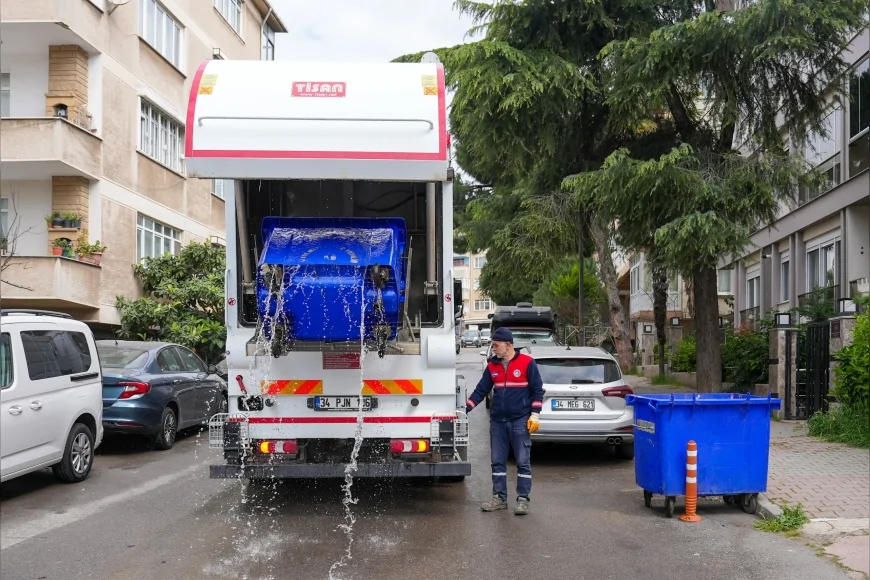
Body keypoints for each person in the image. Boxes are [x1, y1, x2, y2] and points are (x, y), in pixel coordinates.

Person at [465, 327, 544, 515]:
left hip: (520, 420)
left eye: (496, 345)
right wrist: (464, 409)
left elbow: (537, 390)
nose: (493, 349)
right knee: (497, 461)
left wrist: (535, 414)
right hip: (498, 422)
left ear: (508, 345)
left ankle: (523, 499)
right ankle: (499, 498)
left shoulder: (527, 363)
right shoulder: (492, 366)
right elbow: (481, 390)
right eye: (493, 345)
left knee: (523, 461)